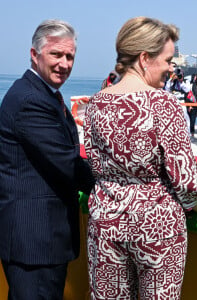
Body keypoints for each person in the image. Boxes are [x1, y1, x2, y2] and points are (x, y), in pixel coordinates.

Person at [84, 16, 197, 299]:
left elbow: (94, 163)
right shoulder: (165, 104)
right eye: (167, 60)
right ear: (144, 58)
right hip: (157, 228)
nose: (170, 68)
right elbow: (187, 183)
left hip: (106, 224)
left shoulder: (95, 104)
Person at [0, 19, 95, 299]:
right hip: (34, 242)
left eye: (70, 57)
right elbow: (67, 163)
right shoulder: (31, 99)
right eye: (56, 54)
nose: (64, 64)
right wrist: (123, 187)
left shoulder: (45, 94)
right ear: (35, 54)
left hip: (40, 240)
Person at [164, 67, 192, 135]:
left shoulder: (186, 81)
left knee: (185, 117)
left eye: (180, 75)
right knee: (172, 117)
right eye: (177, 75)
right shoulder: (171, 81)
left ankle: (187, 133)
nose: (179, 76)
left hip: (182, 101)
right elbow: (167, 89)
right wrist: (171, 80)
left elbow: (187, 90)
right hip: (173, 101)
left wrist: (181, 81)